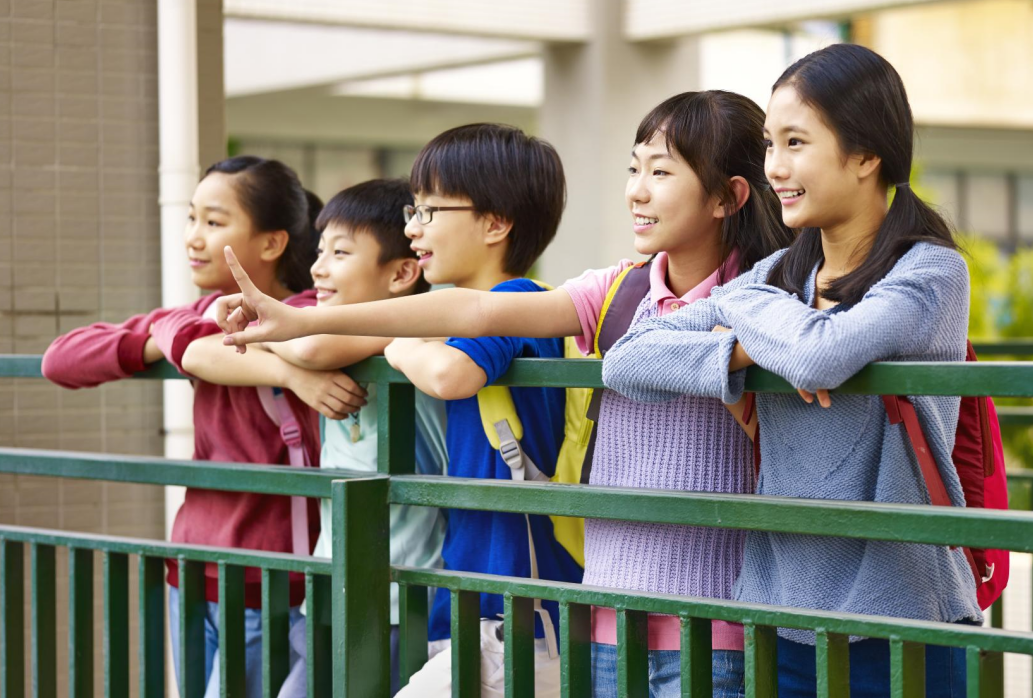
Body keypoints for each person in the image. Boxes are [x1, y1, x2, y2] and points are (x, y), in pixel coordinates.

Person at [213, 92, 794, 696]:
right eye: (633, 168)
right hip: (604, 618)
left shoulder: (767, 295)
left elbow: (462, 351)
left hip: (716, 626)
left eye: (662, 171)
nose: (637, 190)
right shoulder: (617, 289)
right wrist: (296, 320)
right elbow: (477, 307)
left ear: (728, 196)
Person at [602, 44, 980, 697]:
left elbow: (817, 355)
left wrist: (749, 315)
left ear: (867, 155)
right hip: (778, 612)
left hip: (898, 612)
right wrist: (741, 350)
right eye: (771, 145)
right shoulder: (775, 278)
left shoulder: (929, 271)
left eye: (796, 142)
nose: (776, 167)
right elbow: (626, 358)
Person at [41, 157, 361, 697]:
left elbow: (274, 342)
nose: (193, 237)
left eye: (214, 223)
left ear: (272, 243)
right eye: (191, 218)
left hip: (269, 577)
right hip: (191, 568)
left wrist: (185, 334)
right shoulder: (198, 317)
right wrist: (175, 333)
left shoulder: (311, 313)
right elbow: (60, 360)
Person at [177, 179, 448, 696]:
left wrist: (272, 331)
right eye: (320, 251)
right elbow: (196, 353)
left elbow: (314, 347)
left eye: (340, 253)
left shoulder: (413, 331)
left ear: (401, 274)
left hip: (396, 599)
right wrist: (287, 360)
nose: (319, 268)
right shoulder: (320, 326)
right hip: (332, 589)